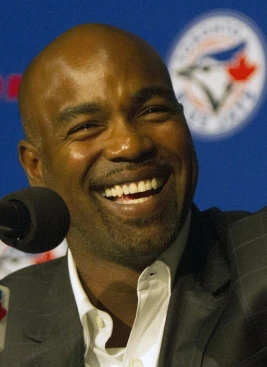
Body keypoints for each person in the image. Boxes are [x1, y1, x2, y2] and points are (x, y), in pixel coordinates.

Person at [0, 24, 267, 367]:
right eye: (86, 127)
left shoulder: (258, 268)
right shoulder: (12, 318)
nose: (129, 144)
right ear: (36, 166)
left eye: (152, 111)